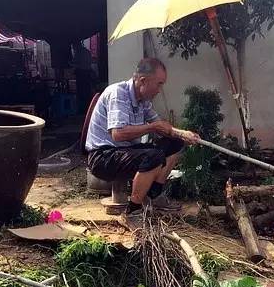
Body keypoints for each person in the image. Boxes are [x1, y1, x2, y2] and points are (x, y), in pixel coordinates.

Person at [85, 58, 200, 215]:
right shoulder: (118, 93)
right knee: (154, 156)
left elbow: (160, 125)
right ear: (143, 81)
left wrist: (183, 134)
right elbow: (118, 134)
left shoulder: (143, 100)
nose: (160, 90)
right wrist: (152, 127)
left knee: (175, 143)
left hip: (126, 151)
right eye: (159, 83)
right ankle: (133, 210)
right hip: (103, 156)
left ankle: (154, 194)